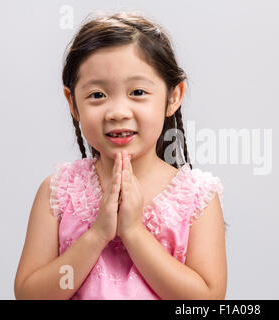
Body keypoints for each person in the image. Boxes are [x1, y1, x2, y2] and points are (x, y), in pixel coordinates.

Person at [14, 11, 227, 300]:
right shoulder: (58, 191)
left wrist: (134, 232)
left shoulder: (197, 197)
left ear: (173, 97)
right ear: (73, 103)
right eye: (97, 95)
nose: (117, 112)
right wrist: (97, 235)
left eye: (137, 92)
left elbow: (206, 299)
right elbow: (30, 295)